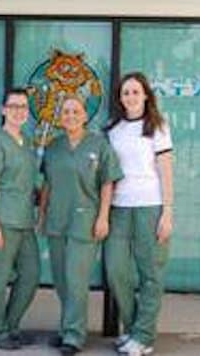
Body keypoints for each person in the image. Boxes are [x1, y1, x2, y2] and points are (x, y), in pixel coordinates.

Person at [39, 95, 123, 355]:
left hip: (85, 222)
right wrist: (42, 216)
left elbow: (108, 183)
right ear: (60, 117)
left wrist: (103, 217)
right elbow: (47, 185)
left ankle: (74, 335)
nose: (71, 115)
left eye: (76, 111)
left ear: (85, 116)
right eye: (66, 111)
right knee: (61, 280)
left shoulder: (99, 146)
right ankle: (67, 328)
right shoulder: (54, 147)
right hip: (56, 221)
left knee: (76, 280)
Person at [104, 72, 174, 356]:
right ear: (120, 98)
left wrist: (167, 211)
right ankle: (134, 330)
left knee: (150, 273)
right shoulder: (113, 129)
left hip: (150, 205)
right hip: (119, 207)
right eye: (125, 93)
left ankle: (143, 336)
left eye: (135, 92)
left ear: (146, 95)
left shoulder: (157, 127)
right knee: (116, 270)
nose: (130, 97)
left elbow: (166, 170)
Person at [0, 88, 42, 350]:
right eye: (13, 106)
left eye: (24, 107)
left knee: (31, 274)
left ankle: (10, 325)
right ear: (4, 110)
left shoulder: (27, 142)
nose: (19, 111)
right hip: (0, 221)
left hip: (24, 221)